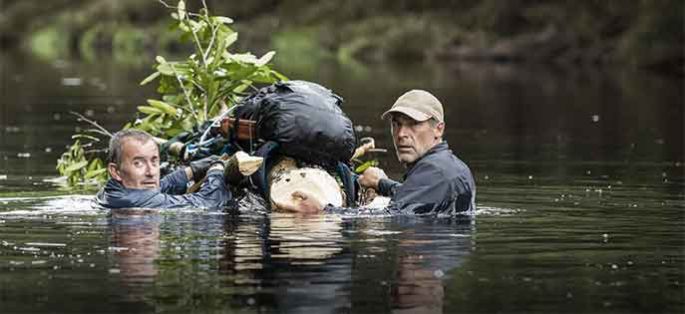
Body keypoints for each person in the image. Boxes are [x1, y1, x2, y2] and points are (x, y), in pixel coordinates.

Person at [275, 89, 476, 215]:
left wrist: (322, 210)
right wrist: (381, 183)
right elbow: (418, 199)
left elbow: (393, 218)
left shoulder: (435, 171)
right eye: (396, 125)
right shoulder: (447, 165)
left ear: (438, 129)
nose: (401, 134)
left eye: (413, 124)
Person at [95, 129, 232, 209]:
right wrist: (217, 170)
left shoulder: (112, 192)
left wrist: (194, 169)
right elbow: (209, 202)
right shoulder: (133, 202)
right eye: (138, 163)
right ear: (115, 171)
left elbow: (159, 187)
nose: (151, 172)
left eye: (154, 162)